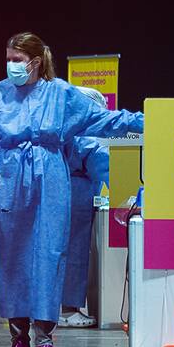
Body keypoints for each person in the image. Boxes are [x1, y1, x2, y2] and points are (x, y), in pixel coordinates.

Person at [0, 33, 143, 347]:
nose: (11, 65)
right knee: (13, 258)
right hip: (9, 181)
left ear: (35, 62)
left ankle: (45, 340)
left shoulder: (61, 94)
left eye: (17, 59)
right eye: (8, 58)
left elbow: (103, 119)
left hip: (51, 181)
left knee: (50, 255)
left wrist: (146, 121)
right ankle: (19, 337)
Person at [58, 90, 111, 328]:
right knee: (75, 254)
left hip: (56, 194)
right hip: (76, 198)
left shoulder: (61, 129)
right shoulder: (84, 135)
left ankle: (40, 309)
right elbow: (103, 166)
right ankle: (69, 310)